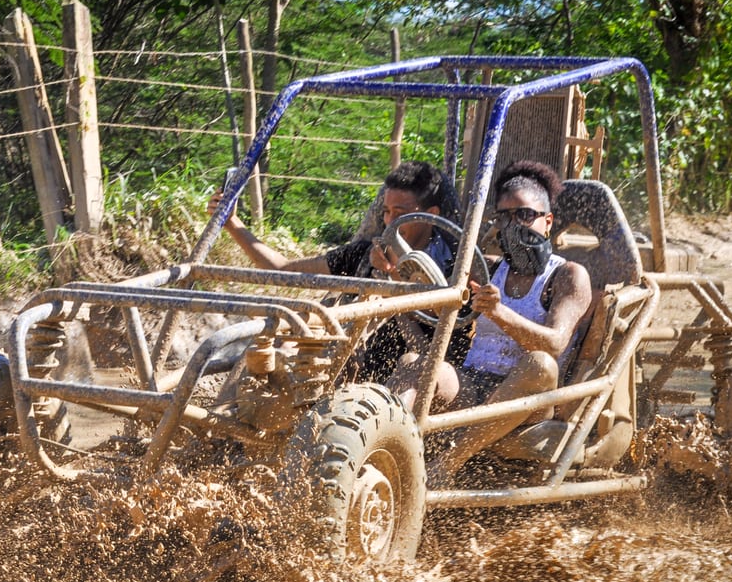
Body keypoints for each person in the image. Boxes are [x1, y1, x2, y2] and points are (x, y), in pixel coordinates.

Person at [389, 160, 593, 487]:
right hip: (476, 384)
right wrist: (399, 301)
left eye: (525, 215)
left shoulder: (568, 275)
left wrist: (499, 313)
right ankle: (385, 451)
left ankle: (448, 463)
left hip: (531, 400)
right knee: (414, 364)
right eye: (505, 217)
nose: (514, 226)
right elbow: (436, 322)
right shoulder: (487, 269)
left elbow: (555, 343)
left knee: (541, 364)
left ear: (548, 221)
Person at [208, 160, 471, 380]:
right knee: (271, 349)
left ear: (431, 215)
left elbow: (440, 321)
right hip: (344, 362)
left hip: (406, 378)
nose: (390, 221)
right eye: (387, 212)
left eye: (400, 212)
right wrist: (232, 223)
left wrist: (390, 277)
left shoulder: (456, 267)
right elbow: (281, 268)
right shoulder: (364, 255)